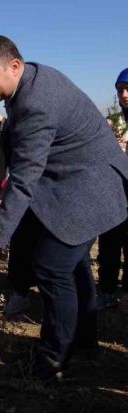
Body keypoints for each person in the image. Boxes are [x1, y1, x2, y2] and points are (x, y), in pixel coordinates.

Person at [0, 35, 128, 380]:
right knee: (74, 266)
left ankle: (54, 358)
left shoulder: (36, 102)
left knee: (52, 265)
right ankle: (84, 342)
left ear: (13, 66)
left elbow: (24, 178)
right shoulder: (31, 78)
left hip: (90, 186)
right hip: (74, 183)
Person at [96, 68, 128, 309]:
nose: (124, 95)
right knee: (109, 246)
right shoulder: (111, 123)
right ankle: (106, 290)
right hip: (111, 195)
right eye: (120, 90)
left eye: (127, 89)